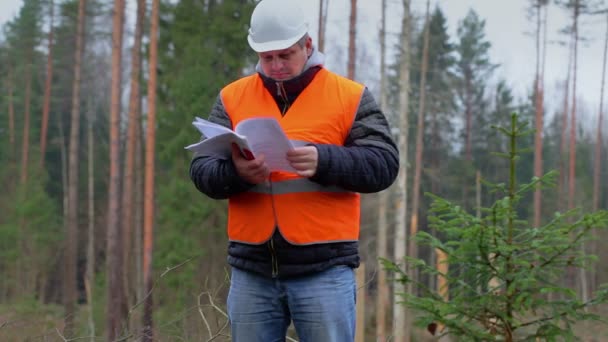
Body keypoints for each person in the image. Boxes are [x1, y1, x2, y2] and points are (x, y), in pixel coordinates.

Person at [189, 0, 399, 340]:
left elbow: (384, 164)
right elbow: (201, 170)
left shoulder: (350, 97)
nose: (276, 66)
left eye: (285, 55)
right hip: (251, 270)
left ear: (308, 45)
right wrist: (238, 174)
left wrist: (324, 160)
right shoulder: (232, 98)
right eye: (267, 57)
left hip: (325, 270)